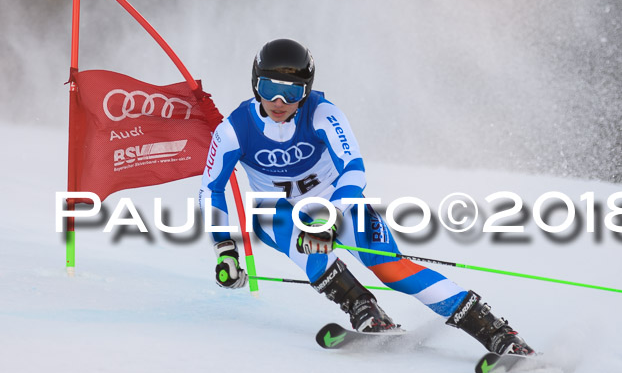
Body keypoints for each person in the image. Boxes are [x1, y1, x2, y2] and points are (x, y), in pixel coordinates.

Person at [199, 38, 534, 355]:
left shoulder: (322, 113)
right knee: (300, 242)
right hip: (278, 211)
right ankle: (364, 309)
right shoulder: (233, 130)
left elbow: (354, 170)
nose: (279, 103)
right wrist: (224, 249)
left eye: (292, 93)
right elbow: (211, 189)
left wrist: (330, 218)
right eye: (269, 90)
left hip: (336, 201)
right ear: (255, 84)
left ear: (308, 90)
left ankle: (496, 333)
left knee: (390, 267)